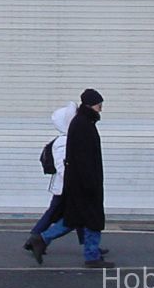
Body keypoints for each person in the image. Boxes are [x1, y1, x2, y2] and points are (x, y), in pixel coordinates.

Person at [28, 88, 112, 268]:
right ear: (90, 105)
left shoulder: (82, 123)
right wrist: (91, 182)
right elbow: (82, 158)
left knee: (78, 219)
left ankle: (43, 239)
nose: (101, 109)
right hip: (86, 183)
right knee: (89, 218)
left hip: (82, 182)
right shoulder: (83, 125)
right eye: (99, 105)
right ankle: (90, 255)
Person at [23, 102, 84, 251]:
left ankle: (90, 245)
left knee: (76, 214)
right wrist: (74, 183)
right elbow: (63, 166)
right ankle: (35, 238)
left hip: (65, 186)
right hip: (65, 187)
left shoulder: (68, 139)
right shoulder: (63, 142)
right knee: (67, 214)